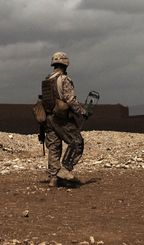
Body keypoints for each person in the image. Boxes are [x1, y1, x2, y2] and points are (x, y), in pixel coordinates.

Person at [41, 51, 87, 186]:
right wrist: (82, 111)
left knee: (54, 147)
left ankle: (53, 178)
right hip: (61, 118)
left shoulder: (47, 79)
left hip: (48, 118)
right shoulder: (64, 79)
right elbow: (70, 100)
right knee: (77, 142)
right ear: (65, 63)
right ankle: (65, 170)